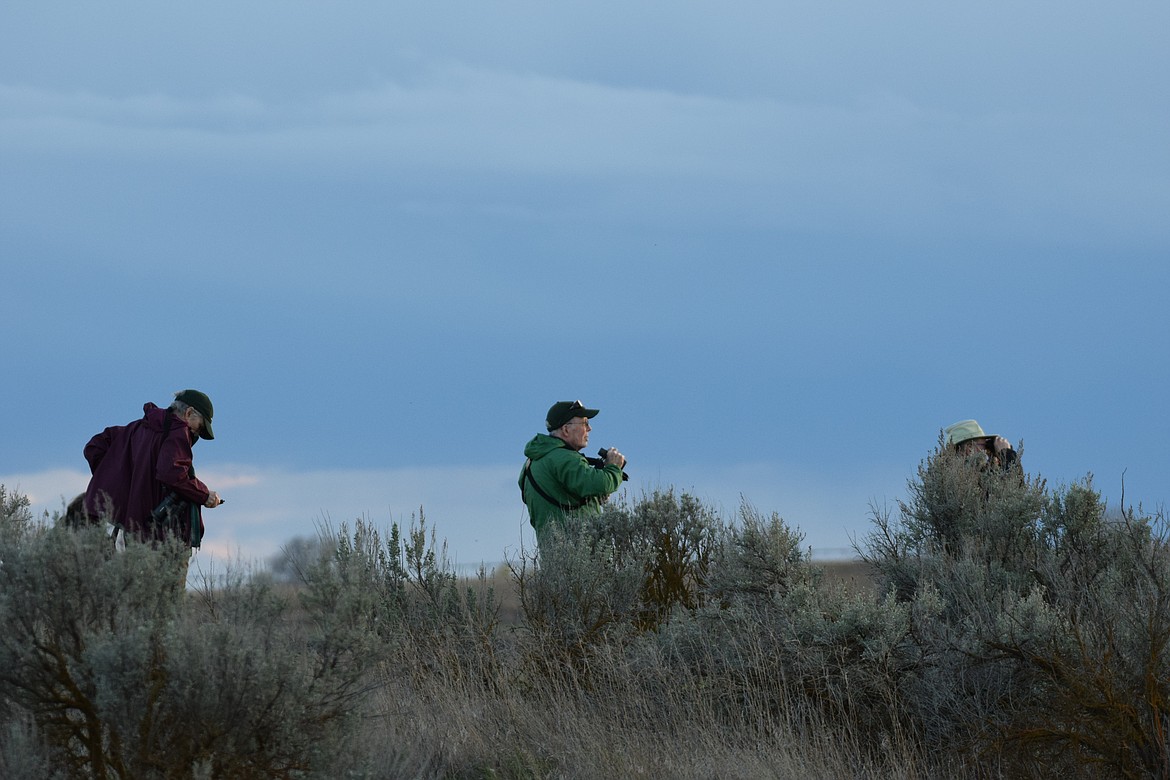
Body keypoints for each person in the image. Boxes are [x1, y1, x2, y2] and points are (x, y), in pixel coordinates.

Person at [83, 389, 224, 549]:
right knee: (167, 574)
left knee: (134, 573)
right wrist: (205, 495)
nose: (196, 432)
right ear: (189, 412)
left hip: (132, 531)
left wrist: (122, 485)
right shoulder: (178, 432)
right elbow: (173, 474)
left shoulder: (137, 429)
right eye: (200, 426)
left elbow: (94, 447)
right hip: (162, 536)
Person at [519, 400, 627, 546]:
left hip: (553, 554)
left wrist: (591, 498)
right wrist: (614, 468)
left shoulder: (533, 461)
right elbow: (600, 483)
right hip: (581, 552)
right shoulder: (565, 459)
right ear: (566, 429)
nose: (589, 428)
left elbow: (559, 496)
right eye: (584, 423)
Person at [943, 419, 1018, 470]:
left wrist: (994, 459)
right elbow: (1016, 485)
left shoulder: (943, 477)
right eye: (984, 445)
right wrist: (1007, 454)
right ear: (970, 448)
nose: (986, 451)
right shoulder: (968, 478)